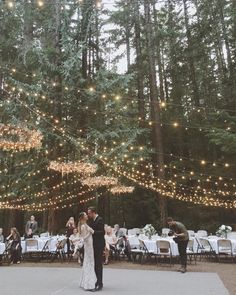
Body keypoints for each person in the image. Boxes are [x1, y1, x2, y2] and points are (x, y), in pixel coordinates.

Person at [88, 207, 105, 292]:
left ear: (93, 212)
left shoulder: (100, 220)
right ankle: (97, 281)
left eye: (89, 213)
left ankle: (100, 283)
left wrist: (93, 232)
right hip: (94, 245)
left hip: (99, 245)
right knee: (95, 264)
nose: (88, 215)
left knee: (98, 264)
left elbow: (102, 232)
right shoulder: (93, 220)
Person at [78, 212, 97, 291]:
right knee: (89, 262)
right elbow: (83, 238)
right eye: (85, 215)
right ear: (83, 217)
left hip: (90, 244)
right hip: (88, 245)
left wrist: (90, 231)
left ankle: (86, 282)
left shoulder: (85, 224)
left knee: (89, 262)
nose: (87, 216)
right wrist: (89, 233)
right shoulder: (82, 226)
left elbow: (92, 231)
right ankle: (89, 284)